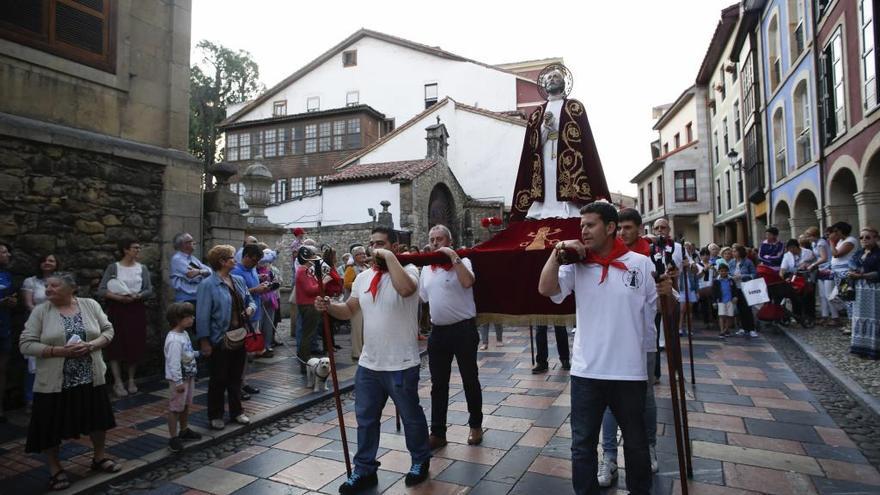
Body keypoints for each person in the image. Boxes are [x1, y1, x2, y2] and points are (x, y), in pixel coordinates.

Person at [538, 202, 662, 495]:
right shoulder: (576, 265)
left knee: (636, 443)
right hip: (587, 371)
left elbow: (656, 313)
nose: (583, 230)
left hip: (629, 372)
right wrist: (558, 253)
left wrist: (669, 296)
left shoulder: (641, 264)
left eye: (590, 225)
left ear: (610, 227)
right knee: (582, 445)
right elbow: (545, 288)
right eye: (581, 226)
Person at [315, 227, 431, 493]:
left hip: (401, 361)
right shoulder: (363, 277)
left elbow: (405, 290)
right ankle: (364, 469)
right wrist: (328, 306)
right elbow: (348, 310)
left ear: (395, 247)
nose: (373, 248)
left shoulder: (410, 270)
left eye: (380, 243)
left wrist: (388, 259)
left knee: (411, 415)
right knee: (366, 418)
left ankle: (420, 461)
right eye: (371, 244)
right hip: (369, 363)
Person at [20, 273, 120, 491]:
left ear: (71, 288)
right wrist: (57, 351)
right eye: (47, 286)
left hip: (90, 376)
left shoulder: (90, 305)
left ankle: (99, 457)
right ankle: (55, 469)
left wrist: (92, 345)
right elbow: (26, 344)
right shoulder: (41, 311)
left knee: (97, 420)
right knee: (50, 425)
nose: (48, 289)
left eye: (54, 285)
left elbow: (108, 330)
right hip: (55, 382)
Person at [598, 207, 660, 483]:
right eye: (619, 228)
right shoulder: (607, 256)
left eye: (628, 228)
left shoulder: (652, 257)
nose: (622, 233)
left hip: (643, 340)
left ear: (639, 228)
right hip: (614, 341)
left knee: (645, 398)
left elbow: (665, 301)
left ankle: (649, 447)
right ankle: (609, 457)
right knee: (609, 401)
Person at [510, 64, 610, 221]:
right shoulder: (537, 113)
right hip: (545, 157)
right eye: (548, 78)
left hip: (568, 159)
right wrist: (545, 127)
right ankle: (544, 209)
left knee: (563, 180)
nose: (552, 79)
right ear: (544, 85)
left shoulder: (574, 106)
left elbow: (586, 142)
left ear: (564, 83)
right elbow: (532, 146)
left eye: (556, 77)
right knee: (548, 180)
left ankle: (569, 207)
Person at [420, 225, 484, 449]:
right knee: (438, 384)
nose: (435, 242)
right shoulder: (427, 268)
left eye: (440, 239)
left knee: (469, 379)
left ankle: (475, 425)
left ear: (449, 241)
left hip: (463, 330)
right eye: (432, 239)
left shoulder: (463, 261)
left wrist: (453, 257)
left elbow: (468, 282)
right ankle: (438, 432)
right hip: (438, 332)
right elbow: (424, 298)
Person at [196, 245, 256, 430]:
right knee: (218, 378)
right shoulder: (208, 285)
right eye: (231, 257)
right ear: (222, 261)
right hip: (219, 338)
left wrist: (251, 308)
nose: (235, 260)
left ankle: (237, 411)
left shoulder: (237, 280)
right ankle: (216, 415)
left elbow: (250, 300)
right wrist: (204, 341)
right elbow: (202, 314)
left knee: (236, 377)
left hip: (239, 335)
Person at [97, 239, 153, 397]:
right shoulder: (113, 268)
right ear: (125, 250)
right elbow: (101, 290)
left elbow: (149, 289)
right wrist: (118, 297)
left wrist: (138, 295)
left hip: (136, 309)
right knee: (117, 343)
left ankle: (131, 379)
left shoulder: (142, 268)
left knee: (134, 343)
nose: (138, 250)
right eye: (135, 247)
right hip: (118, 309)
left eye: (139, 247)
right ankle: (117, 381)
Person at [22, 253, 60, 413]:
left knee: (56, 361)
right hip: (36, 324)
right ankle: (31, 399)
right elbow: (28, 304)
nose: (47, 263)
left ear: (56, 264)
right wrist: (43, 315)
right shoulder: (30, 281)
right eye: (44, 260)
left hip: (57, 324)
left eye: (51, 260)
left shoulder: (61, 281)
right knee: (34, 363)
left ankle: (54, 396)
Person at [164, 302, 202, 453]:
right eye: (188, 316)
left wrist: (199, 354)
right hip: (179, 380)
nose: (192, 318)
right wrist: (178, 382)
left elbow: (187, 353)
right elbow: (173, 363)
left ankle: (184, 430)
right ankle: (173, 437)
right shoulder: (173, 339)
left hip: (188, 376)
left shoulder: (184, 334)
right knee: (175, 407)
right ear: (178, 319)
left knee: (185, 404)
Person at [231, 244, 267, 399]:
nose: (255, 264)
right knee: (240, 354)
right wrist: (256, 290)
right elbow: (240, 294)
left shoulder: (252, 269)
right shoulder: (236, 272)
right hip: (243, 317)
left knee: (248, 354)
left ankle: (243, 382)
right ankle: (237, 385)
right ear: (245, 256)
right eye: (253, 260)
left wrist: (261, 281)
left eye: (257, 261)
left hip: (255, 312)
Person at [848, 227, 880, 359]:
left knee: (874, 317)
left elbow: (878, 273)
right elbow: (852, 264)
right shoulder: (859, 252)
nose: (864, 240)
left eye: (868, 237)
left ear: (876, 239)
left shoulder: (878, 254)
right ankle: (861, 347)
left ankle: (874, 349)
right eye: (861, 237)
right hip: (860, 290)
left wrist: (861, 275)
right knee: (860, 316)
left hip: (874, 290)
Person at [831, 222, 859, 333]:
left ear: (841, 231)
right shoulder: (842, 241)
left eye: (835, 231)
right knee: (842, 298)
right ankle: (850, 321)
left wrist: (831, 242)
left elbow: (836, 254)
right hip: (838, 273)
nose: (834, 234)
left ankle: (852, 324)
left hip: (845, 274)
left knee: (848, 299)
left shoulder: (850, 241)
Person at [170, 233, 212, 305]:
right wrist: (202, 273)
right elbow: (193, 277)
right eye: (191, 241)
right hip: (186, 299)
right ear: (184, 245)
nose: (194, 243)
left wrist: (199, 272)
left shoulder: (193, 259)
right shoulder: (177, 259)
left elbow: (210, 271)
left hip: (197, 297)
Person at [806, 226, 836, 325]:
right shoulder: (814, 243)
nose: (808, 238)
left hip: (827, 270)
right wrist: (805, 262)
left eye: (809, 236)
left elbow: (824, 258)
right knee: (822, 295)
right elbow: (814, 256)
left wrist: (813, 265)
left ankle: (835, 317)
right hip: (821, 270)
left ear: (814, 235)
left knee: (828, 295)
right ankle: (825, 315)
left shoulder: (821, 243)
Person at [344, 245, 369, 360]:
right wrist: (361, 284)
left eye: (364, 253)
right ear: (355, 256)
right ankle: (356, 352)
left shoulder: (367, 266)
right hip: (355, 302)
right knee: (357, 328)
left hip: (366, 302)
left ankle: (365, 350)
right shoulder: (351, 269)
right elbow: (346, 283)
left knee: (365, 327)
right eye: (360, 254)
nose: (363, 255)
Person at [0, 242, 16, 422]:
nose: (8, 255)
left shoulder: (7, 275)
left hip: (4, 327)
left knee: (2, 368)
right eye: (3, 252)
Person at [256, 249, 280, 358]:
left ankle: (267, 345)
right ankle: (259, 347)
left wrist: (274, 282)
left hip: (270, 299)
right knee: (259, 325)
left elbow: (275, 281)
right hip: (260, 300)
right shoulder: (254, 270)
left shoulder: (269, 270)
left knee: (269, 325)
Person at [731, 245, 758, 337]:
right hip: (736, 287)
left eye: (735, 251)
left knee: (747, 308)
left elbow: (754, 274)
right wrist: (731, 277)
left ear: (740, 252)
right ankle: (743, 327)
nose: (733, 253)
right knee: (739, 308)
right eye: (733, 251)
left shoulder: (748, 262)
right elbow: (729, 273)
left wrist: (742, 276)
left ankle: (751, 328)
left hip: (746, 286)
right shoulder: (732, 262)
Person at [713, 262, 736, 339]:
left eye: (725, 271)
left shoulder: (731, 280)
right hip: (721, 300)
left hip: (730, 300)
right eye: (721, 271)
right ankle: (722, 330)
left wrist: (735, 297)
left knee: (729, 316)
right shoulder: (716, 281)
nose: (723, 272)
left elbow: (734, 290)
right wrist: (714, 301)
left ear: (727, 271)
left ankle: (727, 329)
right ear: (719, 271)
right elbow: (714, 292)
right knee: (721, 316)